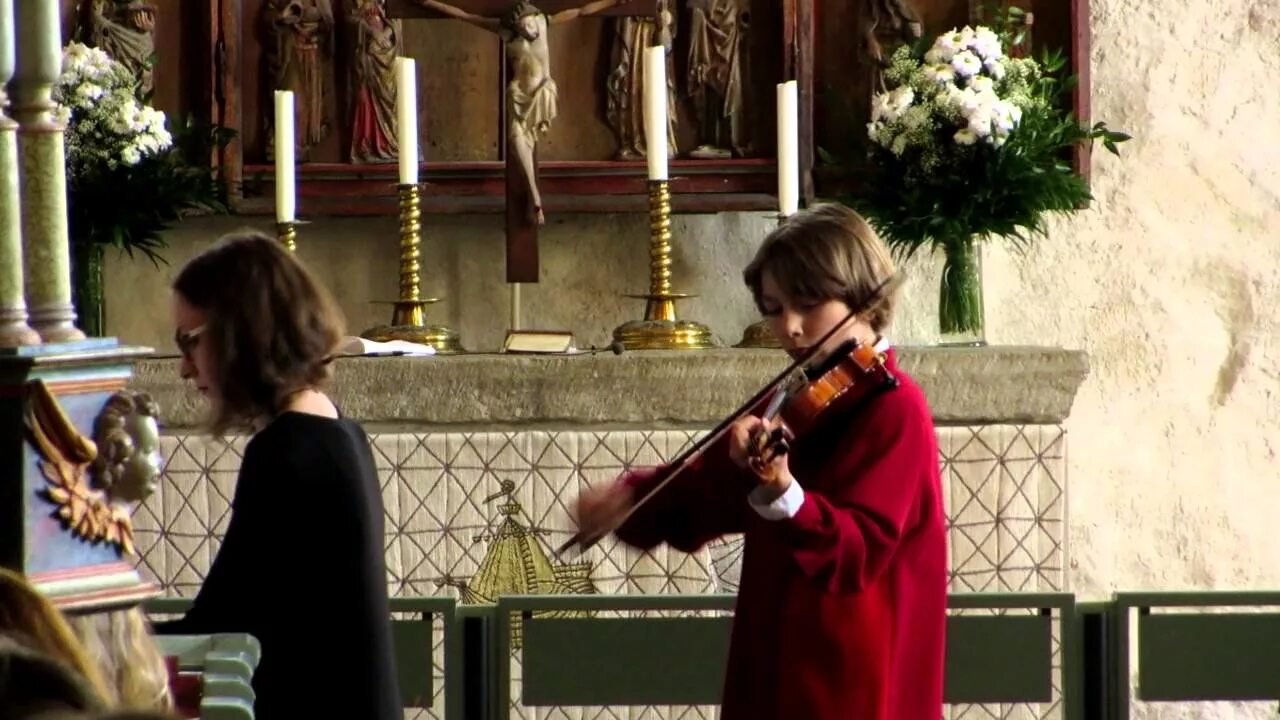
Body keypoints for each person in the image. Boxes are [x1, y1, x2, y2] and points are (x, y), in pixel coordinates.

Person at [570, 204, 948, 720]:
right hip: (773, 658)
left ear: (861, 296)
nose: (789, 326)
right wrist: (633, 501)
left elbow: (857, 551)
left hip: (849, 678)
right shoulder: (800, 396)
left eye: (807, 303)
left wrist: (784, 491)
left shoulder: (893, 407)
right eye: (772, 308)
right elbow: (710, 492)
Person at [154, 231, 400, 720]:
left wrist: (84, 643)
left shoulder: (286, 452)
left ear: (239, 331)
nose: (184, 368)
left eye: (190, 342)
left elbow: (218, 630)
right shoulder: (338, 431)